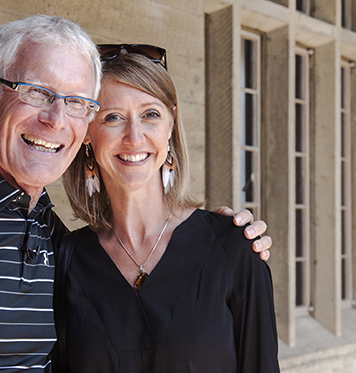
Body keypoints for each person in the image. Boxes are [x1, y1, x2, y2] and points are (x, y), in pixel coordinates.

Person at [0, 16, 270, 372]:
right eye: (36, 92)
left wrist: (232, 237)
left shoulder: (48, 234)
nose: (54, 120)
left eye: (75, 102)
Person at [56, 49, 280, 372]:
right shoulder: (66, 262)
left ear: (171, 124)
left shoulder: (234, 249)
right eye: (113, 117)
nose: (134, 137)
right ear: (88, 133)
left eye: (150, 115)